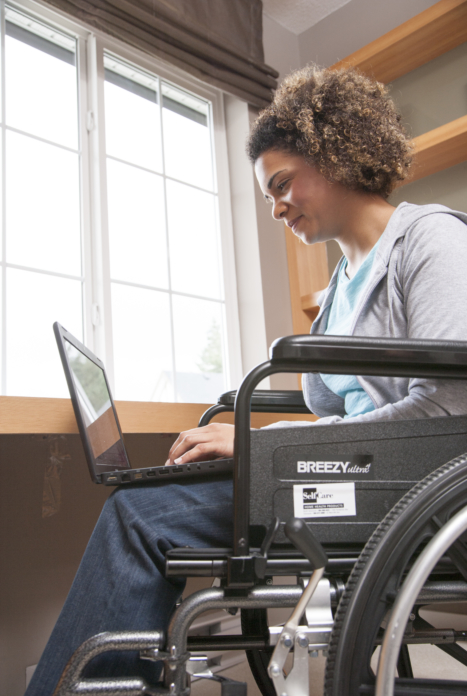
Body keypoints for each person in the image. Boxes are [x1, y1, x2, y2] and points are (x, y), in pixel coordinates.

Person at [26, 64, 467, 695]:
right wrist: (257, 442)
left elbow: (451, 414)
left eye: (283, 185)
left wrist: (264, 446)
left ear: (337, 154)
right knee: (154, 498)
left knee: (139, 517)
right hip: (351, 476)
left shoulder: (430, 243)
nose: (276, 207)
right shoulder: (340, 283)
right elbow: (338, 414)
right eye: (267, 196)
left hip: (407, 489)